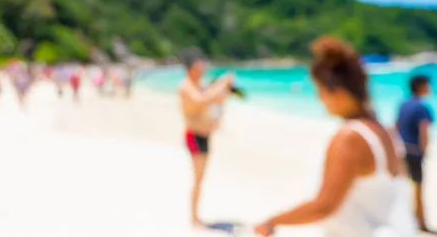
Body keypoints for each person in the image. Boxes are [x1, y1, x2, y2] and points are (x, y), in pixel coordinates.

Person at [254, 36, 416, 236]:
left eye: (320, 91)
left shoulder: (350, 137)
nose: (318, 98)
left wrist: (271, 222)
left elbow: (324, 206)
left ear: (339, 93)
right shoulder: (385, 132)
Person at [178, 48, 233, 228]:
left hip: (204, 135)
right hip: (195, 136)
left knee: (200, 179)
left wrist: (223, 89)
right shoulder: (186, 86)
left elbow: (212, 100)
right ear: (190, 67)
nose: (201, 70)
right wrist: (220, 85)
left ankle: (196, 216)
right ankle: (194, 217)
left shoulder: (199, 85)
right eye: (198, 67)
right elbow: (200, 100)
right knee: (198, 179)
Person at [396, 75, 434, 232]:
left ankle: (409, 219)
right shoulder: (422, 107)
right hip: (415, 152)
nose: (430, 88)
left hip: (403, 148)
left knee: (405, 186)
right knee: (418, 187)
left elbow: (397, 126)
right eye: (427, 85)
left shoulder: (403, 104)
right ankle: (421, 223)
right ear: (421, 86)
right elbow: (423, 131)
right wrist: (424, 151)